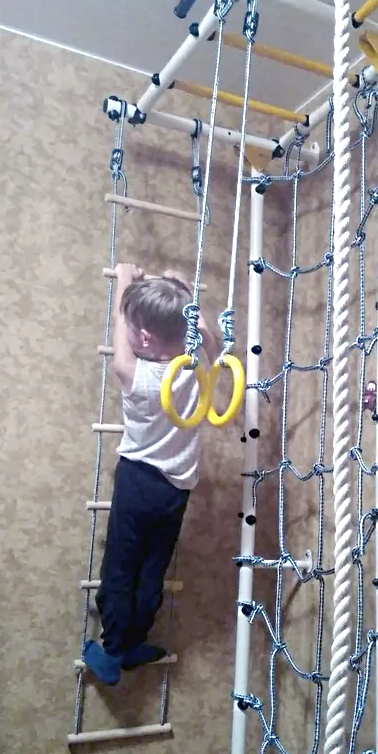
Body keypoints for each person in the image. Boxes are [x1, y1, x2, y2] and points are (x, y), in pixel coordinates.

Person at [83, 263, 218, 685]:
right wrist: (184, 289)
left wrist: (125, 280)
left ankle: (113, 650)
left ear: (144, 338)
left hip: (139, 482)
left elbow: (120, 336)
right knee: (152, 566)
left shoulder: (136, 375)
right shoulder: (198, 366)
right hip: (176, 490)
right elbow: (208, 336)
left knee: (122, 565)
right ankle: (137, 639)